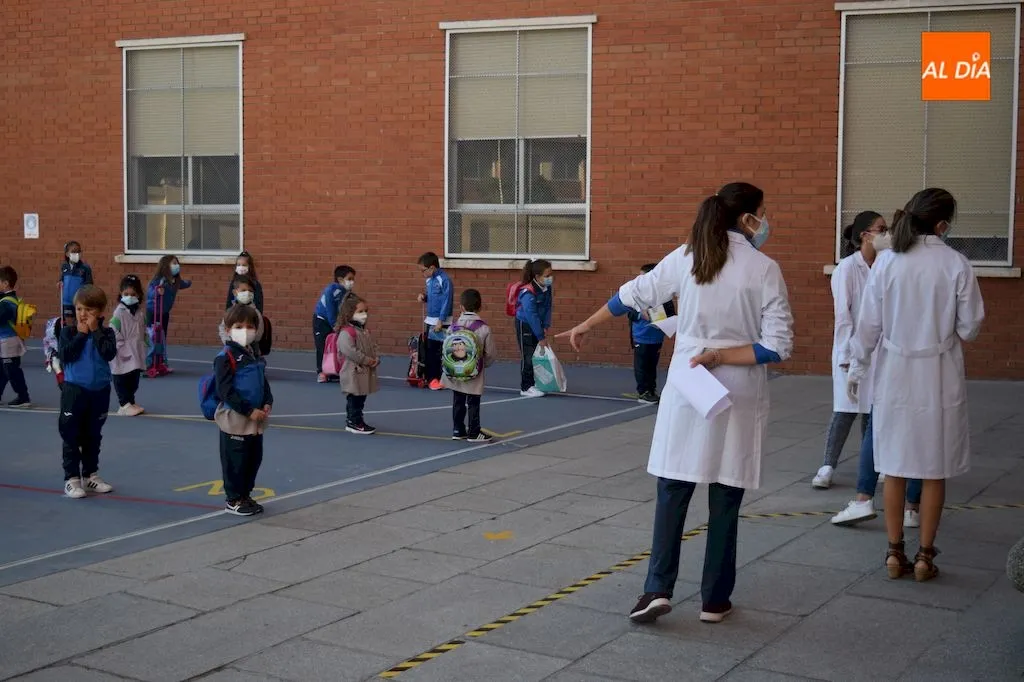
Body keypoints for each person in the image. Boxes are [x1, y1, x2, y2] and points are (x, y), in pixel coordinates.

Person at [558, 182, 793, 624]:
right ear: (748, 219)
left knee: (673, 487)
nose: (766, 222)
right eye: (763, 213)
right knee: (725, 496)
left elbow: (633, 293)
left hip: (689, 386)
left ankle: (656, 589)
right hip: (736, 393)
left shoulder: (686, 256)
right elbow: (777, 346)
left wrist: (586, 324)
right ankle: (714, 600)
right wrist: (724, 355)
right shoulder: (764, 268)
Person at [847, 188, 984, 582]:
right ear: (942, 225)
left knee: (894, 464)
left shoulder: (887, 262)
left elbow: (868, 325)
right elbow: (970, 327)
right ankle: (925, 555)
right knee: (933, 466)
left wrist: (857, 366)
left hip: (894, 372)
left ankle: (893, 552)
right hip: (938, 373)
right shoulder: (956, 263)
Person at [812, 211, 885, 490]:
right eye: (881, 229)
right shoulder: (846, 269)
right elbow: (843, 316)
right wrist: (846, 355)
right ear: (865, 235)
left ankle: (871, 468)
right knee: (846, 409)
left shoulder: (884, 265)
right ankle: (827, 465)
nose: (886, 233)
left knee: (872, 410)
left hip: (879, 350)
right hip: (851, 349)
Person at [58, 285, 117, 498]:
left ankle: (91, 475)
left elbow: (109, 353)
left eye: (89, 310)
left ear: (100, 313)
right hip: (75, 391)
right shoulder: (68, 332)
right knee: (71, 435)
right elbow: (66, 356)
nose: (83, 314)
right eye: (80, 309)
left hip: (99, 391)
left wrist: (94, 331)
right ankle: (72, 479)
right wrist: (81, 336)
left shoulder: (107, 333)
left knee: (93, 436)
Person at [214, 303, 273, 516]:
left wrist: (267, 401)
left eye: (249, 326)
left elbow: (263, 382)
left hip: (255, 420)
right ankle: (234, 498)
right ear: (228, 330)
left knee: (253, 459)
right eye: (238, 326)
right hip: (236, 419)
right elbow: (226, 391)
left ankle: (246, 494)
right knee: (235, 462)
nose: (245, 331)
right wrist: (248, 411)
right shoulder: (225, 357)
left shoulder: (254, 355)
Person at [442, 289, 497, 442]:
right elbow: (491, 353)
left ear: (461, 307)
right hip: (473, 371)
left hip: (455, 370)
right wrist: (481, 364)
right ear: (480, 307)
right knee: (473, 401)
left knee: (458, 399)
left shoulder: (453, 327)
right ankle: (474, 431)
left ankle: (457, 429)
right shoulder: (484, 328)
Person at [628, 263, 676, 405]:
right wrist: (640, 315)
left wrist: (651, 315)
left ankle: (651, 390)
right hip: (641, 336)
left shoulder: (664, 296)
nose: (640, 280)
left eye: (644, 277)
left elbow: (670, 313)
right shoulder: (636, 295)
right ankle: (643, 392)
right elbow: (631, 313)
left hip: (656, 337)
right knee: (641, 365)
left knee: (651, 365)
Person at [335, 294, 379, 434]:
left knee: (361, 397)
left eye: (365, 311)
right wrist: (367, 360)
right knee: (354, 398)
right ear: (349, 313)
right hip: (353, 371)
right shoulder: (347, 333)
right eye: (360, 312)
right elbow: (350, 352)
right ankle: (354, 421)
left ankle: (357, 420)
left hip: (362, 371)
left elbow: (372, 346)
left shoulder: (362, 330)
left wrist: (376, 358)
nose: (364, 315)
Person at [145, 254, 191, 376]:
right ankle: (149, 364)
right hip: (154, 312)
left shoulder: (175, 281)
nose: (177, 266)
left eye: (177, 263)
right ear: (166, 266)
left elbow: (183, 284)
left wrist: (189, 282)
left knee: (162, 338)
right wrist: (157, 291)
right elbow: (150, 292)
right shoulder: (159, 280)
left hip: (164, 313)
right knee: (154, 338)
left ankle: (161, 362)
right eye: (174, 263)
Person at [514, 259, 553, 398]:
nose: (550, 278)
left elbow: (548, 307)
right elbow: (532, 316)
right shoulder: (528, 292)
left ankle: (534, 383)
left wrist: (546, 326)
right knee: (528, 355)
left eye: (551, 274)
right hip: (525, 324)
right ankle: (526, 387)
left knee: (536, 355)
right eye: (547, 275)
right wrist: (540, 336)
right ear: (537, 277)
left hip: (537, 324)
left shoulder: (547, 288)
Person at [109, 275, 147, 416]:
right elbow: (113, 329)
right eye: (126, 294)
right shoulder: (119, 312)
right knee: (121, 377)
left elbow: (142, 328)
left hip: (135, 349)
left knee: (134, 378)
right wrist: (120, 345)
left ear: (139, 295)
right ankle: (123, 404)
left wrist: (145, 340)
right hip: (122, 350)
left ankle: (130, 401)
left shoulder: (139, 313)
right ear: (121, 294)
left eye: (133, 294)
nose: (129, 297)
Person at [416, 252, 453, 391]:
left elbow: (446, 300)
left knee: (441, 351)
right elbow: (433, 297)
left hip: (440, 321)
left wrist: (441, 320)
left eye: (423, 271)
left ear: (431, 268)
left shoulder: (444, 280)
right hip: (430, 320)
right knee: (430, 350)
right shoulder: (429, 280)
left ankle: (440, 377)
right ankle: (432, 378)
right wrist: (424, 297)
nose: (422, 274)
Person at [313, 265, 356, 382]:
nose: (352, 282)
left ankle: (334, 369)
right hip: (322, 320)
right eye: (350, 279)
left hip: (336, 321)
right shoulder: (331, 290)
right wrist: (335, 326)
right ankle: (322, 372)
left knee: (337, 345)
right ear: (340, 279)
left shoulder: (347, 293)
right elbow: (330, 310)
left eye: (353, 279)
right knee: (322, 345)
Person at [0, 265, 31, 407]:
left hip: (8, 340)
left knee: (12, 370)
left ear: (5, 283)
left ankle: (23, 397)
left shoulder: (6, 303)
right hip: (8, 340)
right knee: (3, 370)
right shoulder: (11, 299)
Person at [219, 275, 266, 353]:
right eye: (243, 290)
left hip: (251, 350)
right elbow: (223, 328)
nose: (247, 293)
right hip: (232, 349)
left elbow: (259, 332)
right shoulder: (231, 312)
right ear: (235, 292)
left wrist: (249, 340)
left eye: (250, 291)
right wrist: (228, 342)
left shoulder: (255, 312)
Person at [60, 241, 93, 327]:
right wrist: (60, 282)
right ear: (67, 254)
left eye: (78, 252)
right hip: (67, 302)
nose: (76, 254)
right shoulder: (64, 267)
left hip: (80, 302)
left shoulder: (85, 268)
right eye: (73, 252)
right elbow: (62, 279)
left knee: (80, 324)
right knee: (69, 325)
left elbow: (89, 285)